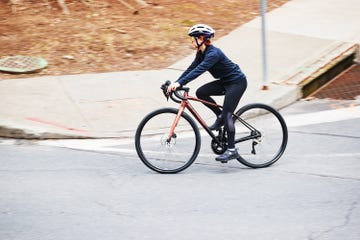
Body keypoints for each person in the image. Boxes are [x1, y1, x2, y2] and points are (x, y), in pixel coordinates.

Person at [167, 24, 248, 162]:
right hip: (225, 82)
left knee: (228, 114)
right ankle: (220, 117)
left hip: (237, 83)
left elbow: (199, 71)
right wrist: (175, 83)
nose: (191, 42)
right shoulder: (201, 53)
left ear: (201, 38)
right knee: (201, 92)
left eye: (193, 39)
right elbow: (191, 68)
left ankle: (232, 150)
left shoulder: (213, 54)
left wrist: (180, 83)